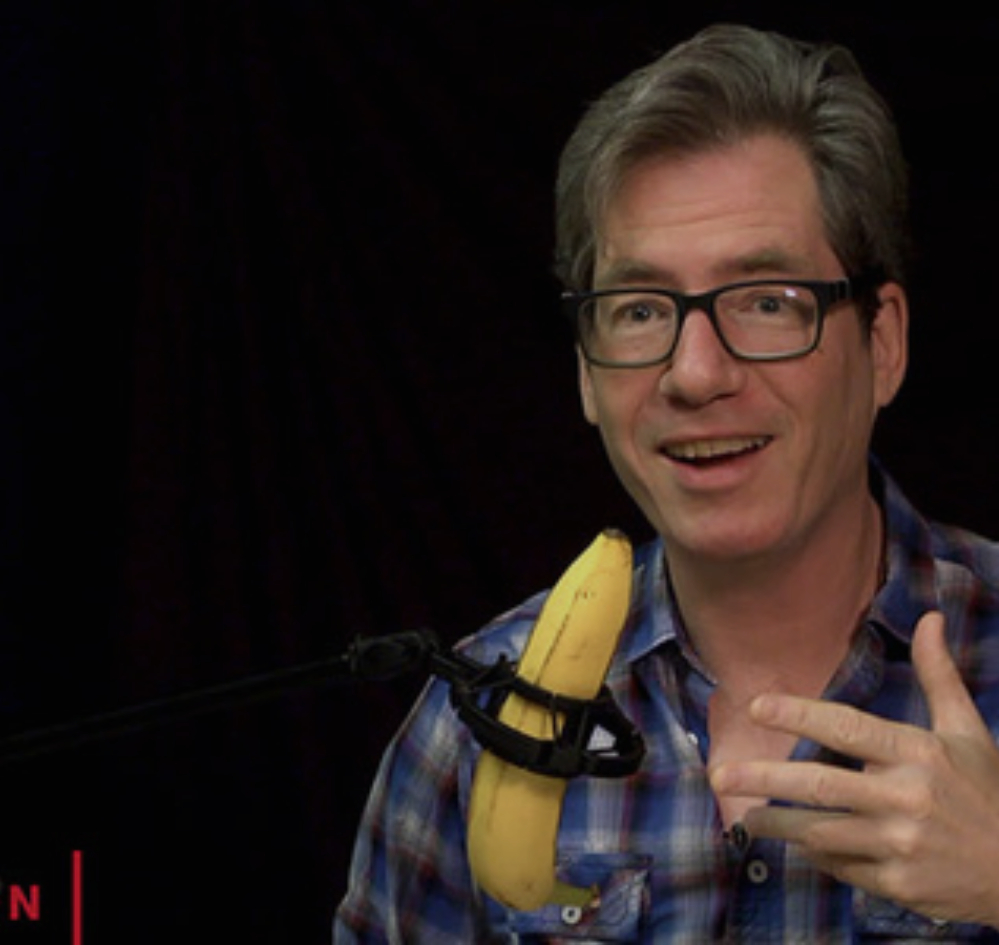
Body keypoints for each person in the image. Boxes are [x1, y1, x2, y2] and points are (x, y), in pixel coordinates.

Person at [336, 24, 999, 941]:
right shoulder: (476, 728)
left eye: (766, 301)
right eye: (641, 309)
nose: (694, 373)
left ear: (881, 343)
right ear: (585, 371)